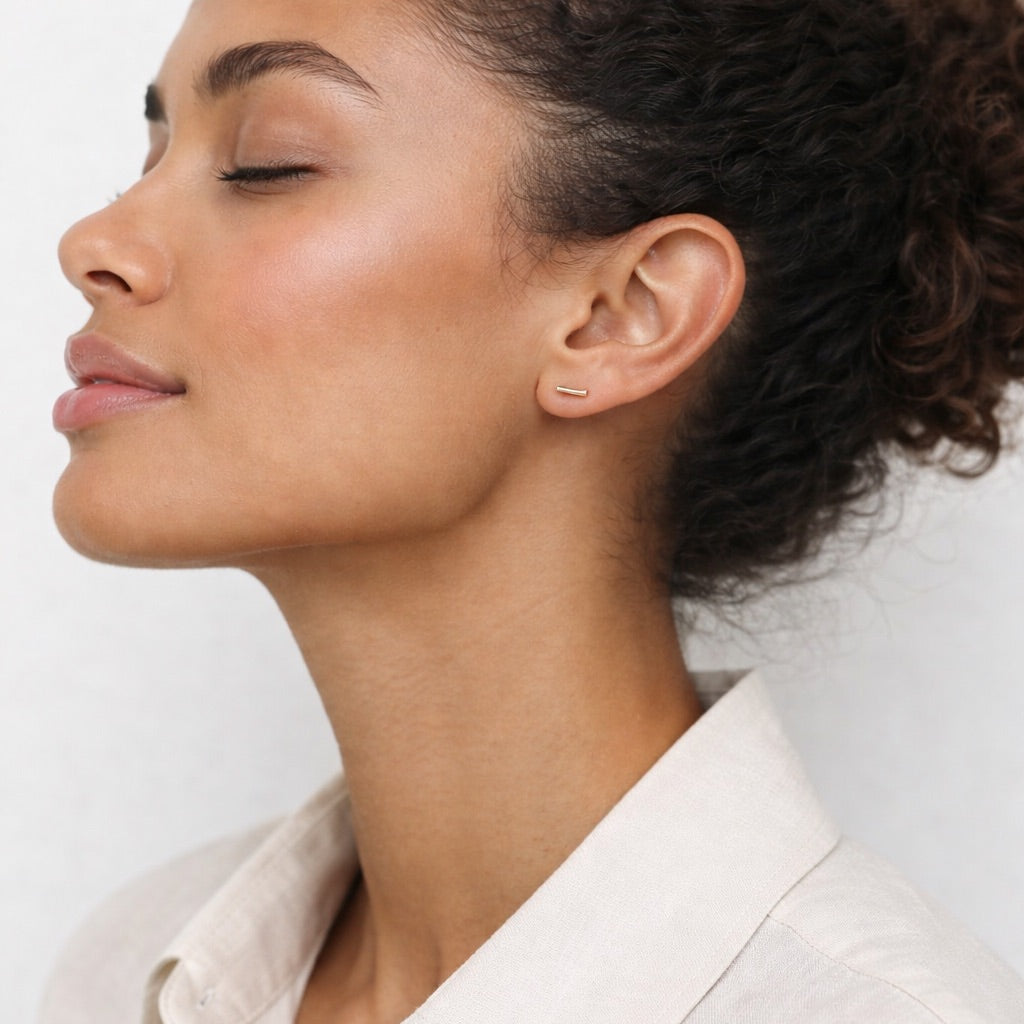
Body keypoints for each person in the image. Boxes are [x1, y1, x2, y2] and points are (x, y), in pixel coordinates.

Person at [39, 0, 1024, 1021]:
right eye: (151, 152)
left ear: (623, 313)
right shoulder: (134, 972)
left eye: (264, 163)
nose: (94, 241)